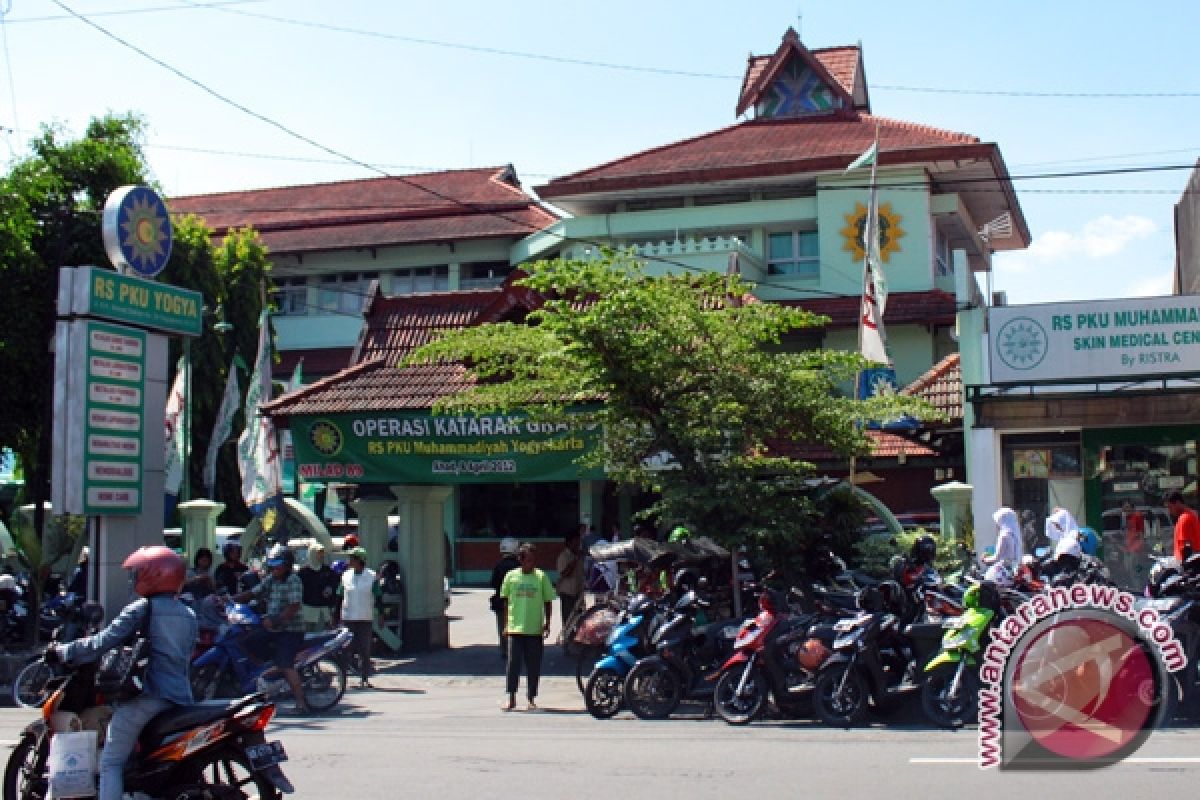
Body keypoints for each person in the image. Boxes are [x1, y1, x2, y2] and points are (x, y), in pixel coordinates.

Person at [46, 545, 196, 800]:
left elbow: (102, 642)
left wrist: (63, 651)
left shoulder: (142, 609)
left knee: (111, 762)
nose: (135, 578)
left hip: (147, 697)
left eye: (138, 573)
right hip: (180, 697)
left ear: (153, 575)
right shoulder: (188, 613)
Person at [233, 543, 308, 714]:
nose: (274, 567)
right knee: (247, 640)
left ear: (287, 564)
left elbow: (293, 607)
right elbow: (253, 593)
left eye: (277, 564)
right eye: (272, 564)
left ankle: (301, 703)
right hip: (273, 629)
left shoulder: (293, 580)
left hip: (290, 631)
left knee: (286, 664)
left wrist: (275, 620)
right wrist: (229, 600)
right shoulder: (272, 579)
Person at [500, 543, 555, 711]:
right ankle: (511, 697)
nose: (531, 563)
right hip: (515, 629)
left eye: (533, 560)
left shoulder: (541, 577)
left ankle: (531, 697)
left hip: (534, 629)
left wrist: (547, 623)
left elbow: (548, 600)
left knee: (533, 665)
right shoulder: (511, 577)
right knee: (513, 664)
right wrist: (505, 625)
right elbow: (505, 602)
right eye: (528, 560)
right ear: (520, 560)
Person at [335, 546, 381, 688]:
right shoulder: (345, 575)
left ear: (359, 560)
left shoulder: (372, 576)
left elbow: (378, 597)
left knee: (364, 650)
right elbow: (339, 596)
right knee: (345, 649)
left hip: (365, 617)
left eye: (352, 558)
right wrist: (335, 615)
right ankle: (343, 679)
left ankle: (364, 678)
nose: (349, 561)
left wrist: (380, 615)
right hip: (348, 617)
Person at [489, 537, 520, 658]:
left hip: (501, 602)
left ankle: (504, 649)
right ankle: (516, 649)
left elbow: (493, 583)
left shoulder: (499, 566)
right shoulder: (518, 566)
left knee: (502, 626)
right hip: (517, 602)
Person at [299, 543, 339, 629]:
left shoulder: (328, 571)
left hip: (324, 613)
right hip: (308, 613)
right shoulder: (303, 573)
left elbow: (334, 586)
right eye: (319, 553)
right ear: (312, 553)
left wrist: (330, 590)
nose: (322, 555)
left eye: (322, 553)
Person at [554, 531, 583, 625]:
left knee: (580, 620)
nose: (579, 545)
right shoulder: (563, 557)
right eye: (577, 542)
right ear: (570, 543)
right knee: (568, 622)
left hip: (578, 593)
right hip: (567, 594)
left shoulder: (578, 557)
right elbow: (565, 573)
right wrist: (574, 561)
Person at [1166, 491, 1200, 564]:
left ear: (1178, 503)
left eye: (1170, 507)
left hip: (1189, 564)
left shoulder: (1184, 518)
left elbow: (1185, 547)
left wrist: (1185, 570)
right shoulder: (1190, 514)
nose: (1169, 510)